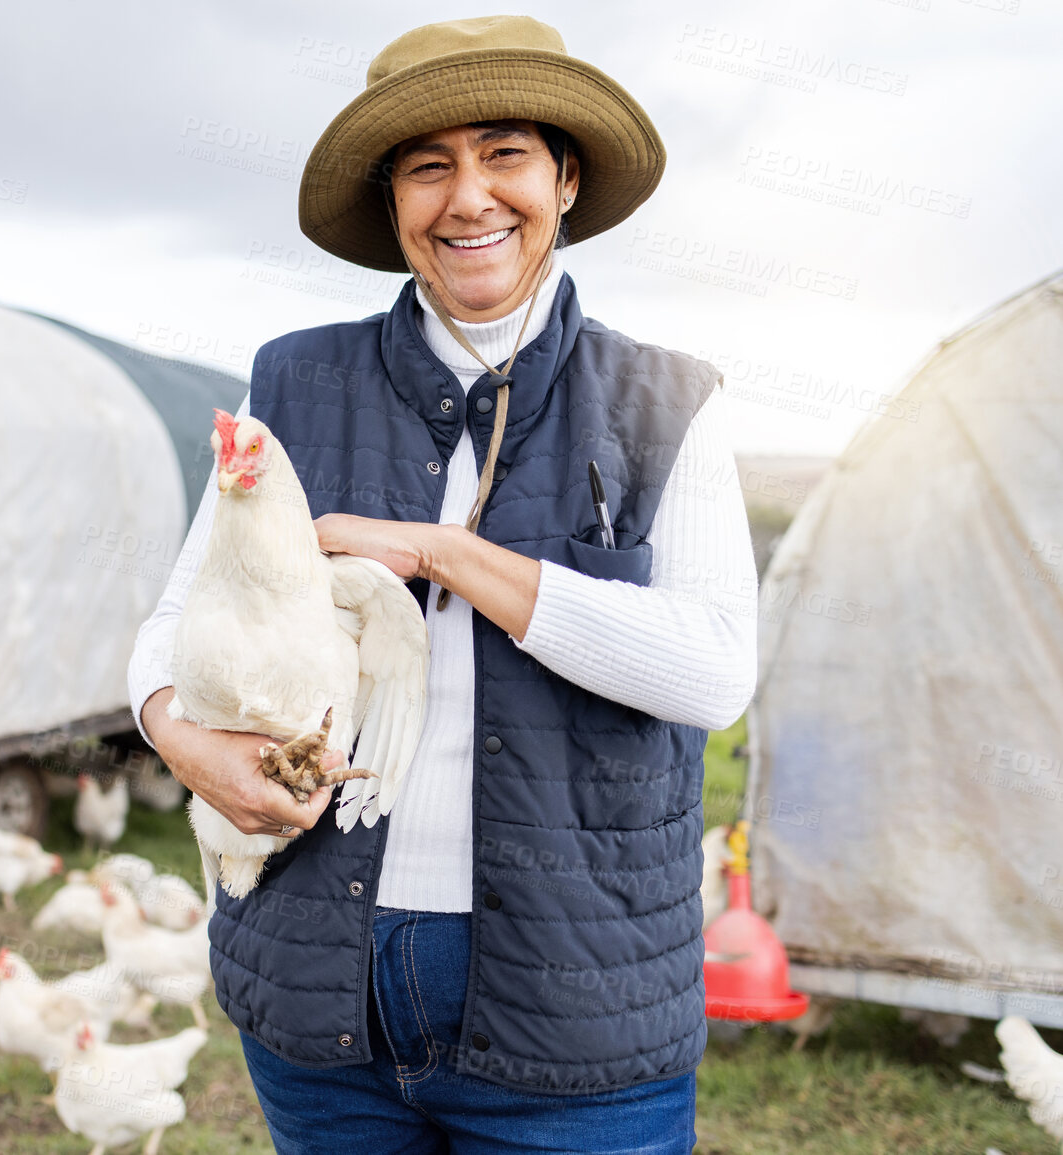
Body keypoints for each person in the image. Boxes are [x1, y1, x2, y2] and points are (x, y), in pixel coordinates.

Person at [128, 15, 757, 1153]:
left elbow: (712, 669)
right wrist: (177, 734)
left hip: (576, 999)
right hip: (324, 978)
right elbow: (179, 622)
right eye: (429, 166)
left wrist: (440, 552)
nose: (469, 198)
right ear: (394, 206)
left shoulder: (666, 401)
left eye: (505, 153)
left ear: (565, 180)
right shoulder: (296, 380)